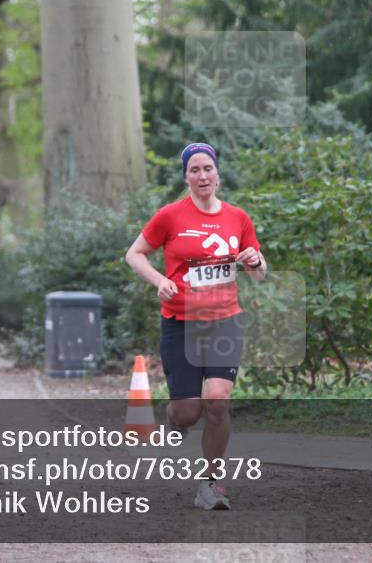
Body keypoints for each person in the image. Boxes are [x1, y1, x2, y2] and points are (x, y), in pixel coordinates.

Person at [125, 142, 267, 510]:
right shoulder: (170, 216)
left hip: (225, 320)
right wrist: (159, 280)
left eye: (208, 169)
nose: (202, 176)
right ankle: (174, 415)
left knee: (217, 401)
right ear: (186, 176)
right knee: (188, 412)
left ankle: (211, 484)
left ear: (218, 174)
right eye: (195, 170)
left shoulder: (238, 217)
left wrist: (255, 260)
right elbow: (134, 253)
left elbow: (259, 272)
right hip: (181, 323)